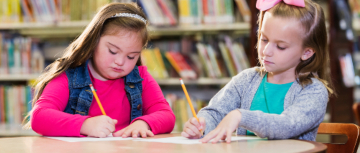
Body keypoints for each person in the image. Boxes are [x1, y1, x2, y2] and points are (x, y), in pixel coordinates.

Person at [182, 0, 334, 143]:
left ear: (307, 52)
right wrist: (201, 125)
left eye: (281, 46)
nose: (266, 51)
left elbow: (286, 125)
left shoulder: (314, 91)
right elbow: (214, 112)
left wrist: (241, 116)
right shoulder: (246, 80)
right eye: (264, 39)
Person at [25, 3, 175, 138]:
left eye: (131, 56)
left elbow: (167, 115)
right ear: (94, 41)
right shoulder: (69, 77)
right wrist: (85, 125)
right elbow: (39, 117)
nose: (120, 62)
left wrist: (144, 124)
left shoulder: (140, 77)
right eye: (112, 51)